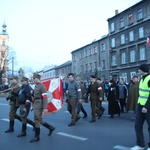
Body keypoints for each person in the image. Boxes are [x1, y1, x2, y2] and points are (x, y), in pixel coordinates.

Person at [30, 73, 55, 143]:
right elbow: (35, 95)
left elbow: (45, 97)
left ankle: (37, 137)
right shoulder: (36, 86)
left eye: (34, 78)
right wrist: (32, 93)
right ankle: (50, 127)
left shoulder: (42, 86)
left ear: (37, 78)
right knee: (37, 119)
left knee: (37, 119)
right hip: (36, 103)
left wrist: (45, 107)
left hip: (40, 103)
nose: (33, 79)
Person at [131, 64, 150, 150]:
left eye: (139, 69)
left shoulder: (149, 79)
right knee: (137, 125)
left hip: (148, 106)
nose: (138, 71)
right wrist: (139, 105)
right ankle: (140, 145)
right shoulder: (142, 79)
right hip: (140, 105)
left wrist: (146, 106)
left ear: (143, 70)